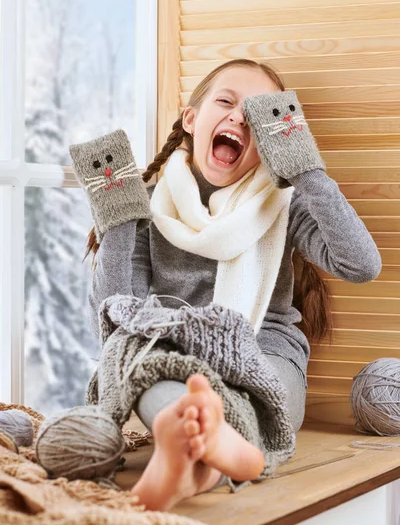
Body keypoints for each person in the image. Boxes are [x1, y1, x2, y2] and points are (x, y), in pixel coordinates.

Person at [70, 58, 382, 511]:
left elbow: (361, 264)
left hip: (263, 346)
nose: (239, 116)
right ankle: (213, 455)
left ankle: (203, 456)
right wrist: (117, 220)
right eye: (226, 101)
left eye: (257, 115)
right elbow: (118, 313)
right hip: (174, 346)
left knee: (270, 391)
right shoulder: (152, 206)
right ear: (192, 120)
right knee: (145, 372)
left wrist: (304, 169)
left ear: (270, 143)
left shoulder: (282, 204)